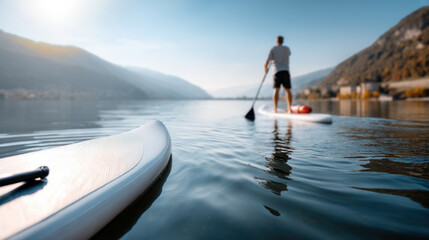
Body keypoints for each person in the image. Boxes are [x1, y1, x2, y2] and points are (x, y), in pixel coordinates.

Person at [264, 36, 292, 113]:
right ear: (282, 41)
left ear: (276, 41)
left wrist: (266, 69)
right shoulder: (287, 48)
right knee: (288, 90)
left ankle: (275, 109)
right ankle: (289, 109)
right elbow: (288, 55)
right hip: (286, 71)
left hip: (277, 71)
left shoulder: (273, 48)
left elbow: (266, 61)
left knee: (276, 89)